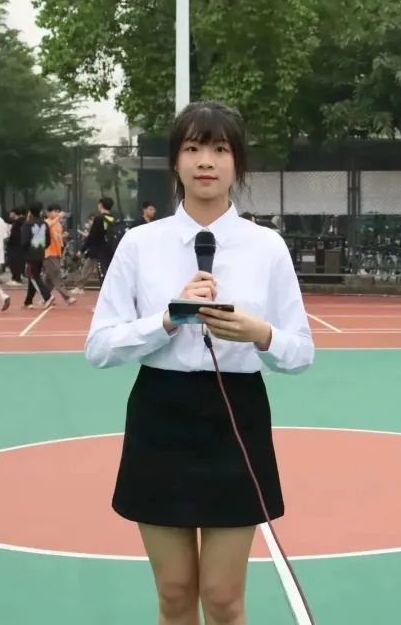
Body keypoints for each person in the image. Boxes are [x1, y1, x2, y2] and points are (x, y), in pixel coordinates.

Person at [85, 100, 314, 625]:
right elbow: (99, 347)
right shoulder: (140, 245)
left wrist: (259, 334)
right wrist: (167, 320)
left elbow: (301, 352)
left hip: (236, 416)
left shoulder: (267, 247)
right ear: (176, 162)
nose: (205, 161)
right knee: (174, 592)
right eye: (192, 148)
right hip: (160, 416)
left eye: (219, 149)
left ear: (238, 163)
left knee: (223, 597)